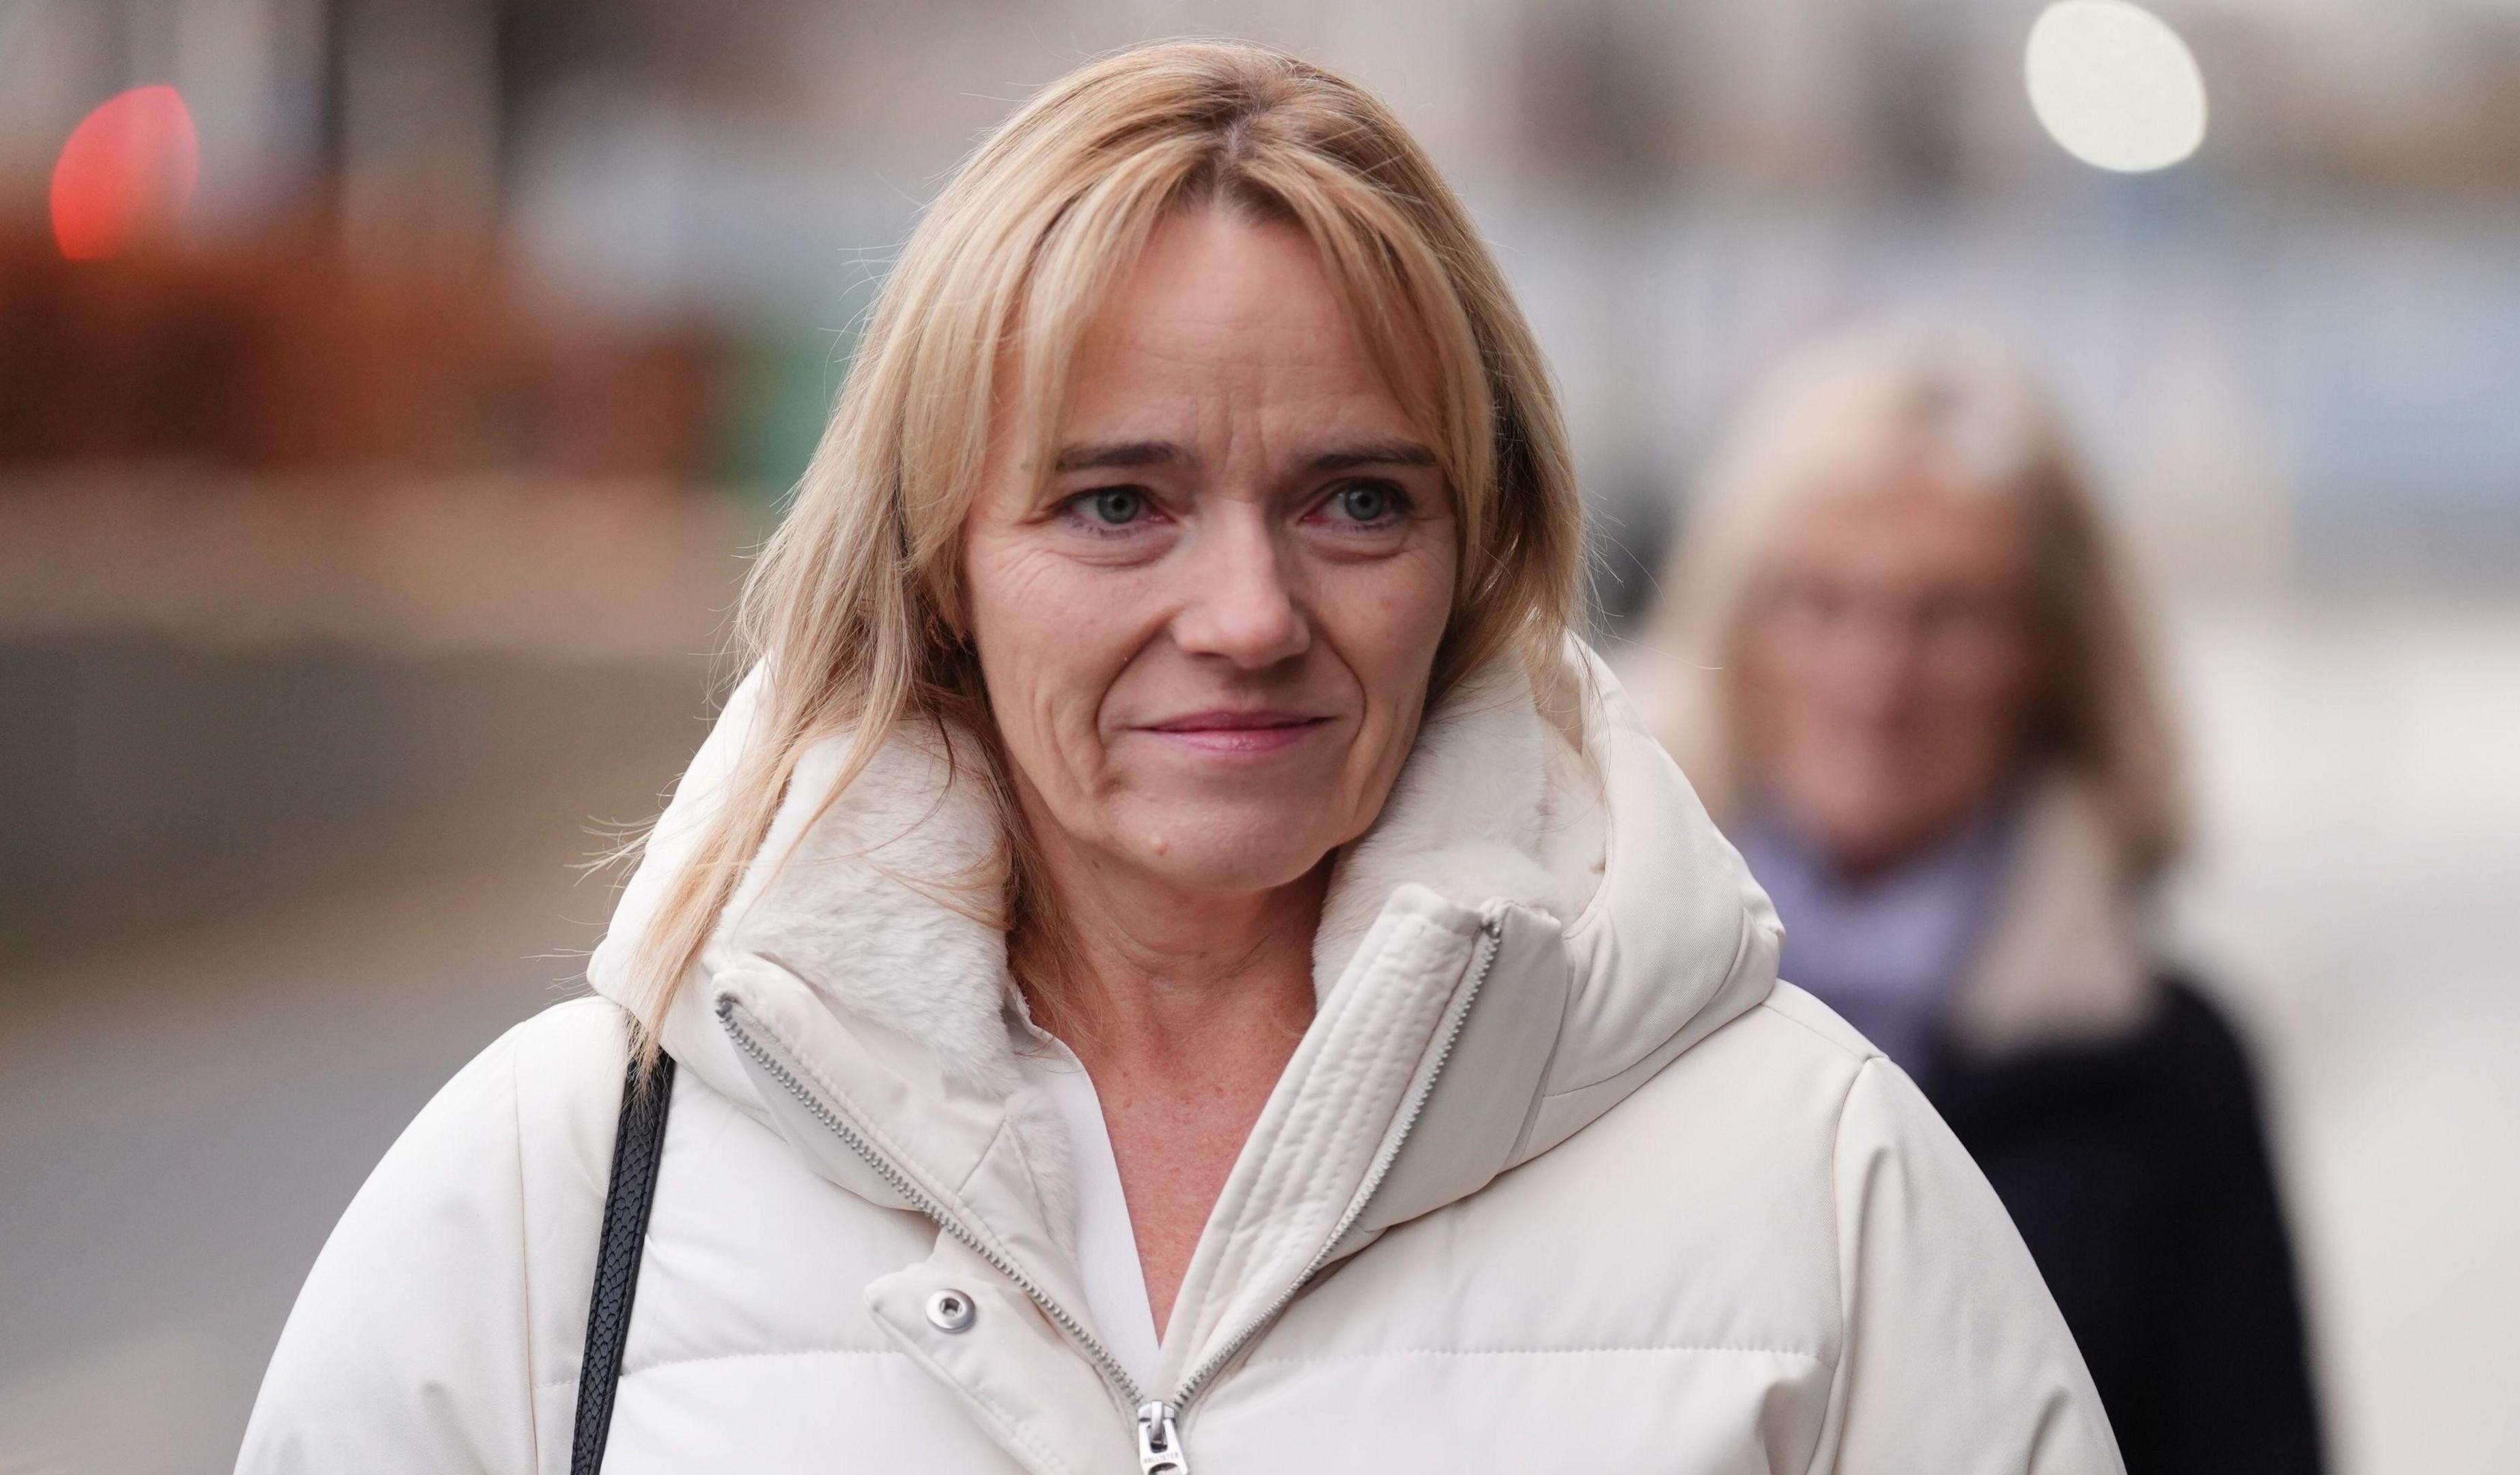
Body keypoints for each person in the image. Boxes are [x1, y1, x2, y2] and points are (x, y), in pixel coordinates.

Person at [237, 46, 2119, 1474]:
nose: (1247, 612)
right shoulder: (568, 1180)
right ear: (936, 563)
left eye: (1358, 502)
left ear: (1480, 551)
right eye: (1118, 502)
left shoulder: (1816, 1174)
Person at [1635, 326, 2324, 1475]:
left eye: (1948, 614)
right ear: (1730, 629)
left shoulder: (2168, 1068)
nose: (1876, 678)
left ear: (2054, 651)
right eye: (1819, 602)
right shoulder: (1589, 1016)